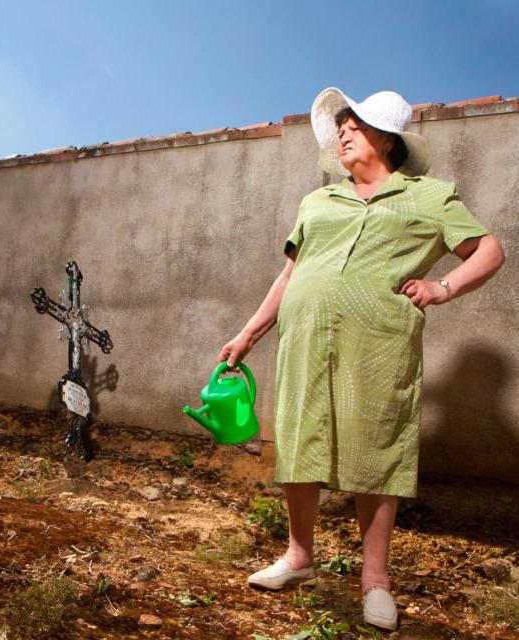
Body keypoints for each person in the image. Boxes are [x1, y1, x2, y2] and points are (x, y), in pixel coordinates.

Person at [216, 87, 504, 631]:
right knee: (299, 440)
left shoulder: (431, 197)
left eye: (355, 124)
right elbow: (290, 274)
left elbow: (488, 251)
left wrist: (443, 287)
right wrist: (248, 333)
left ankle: (375, 582)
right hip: (305, 339)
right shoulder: (318, 201)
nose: (343, 132)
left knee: (378, 451)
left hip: (379, 345)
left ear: (388, 139)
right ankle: (300, 558)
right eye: (341, 125)